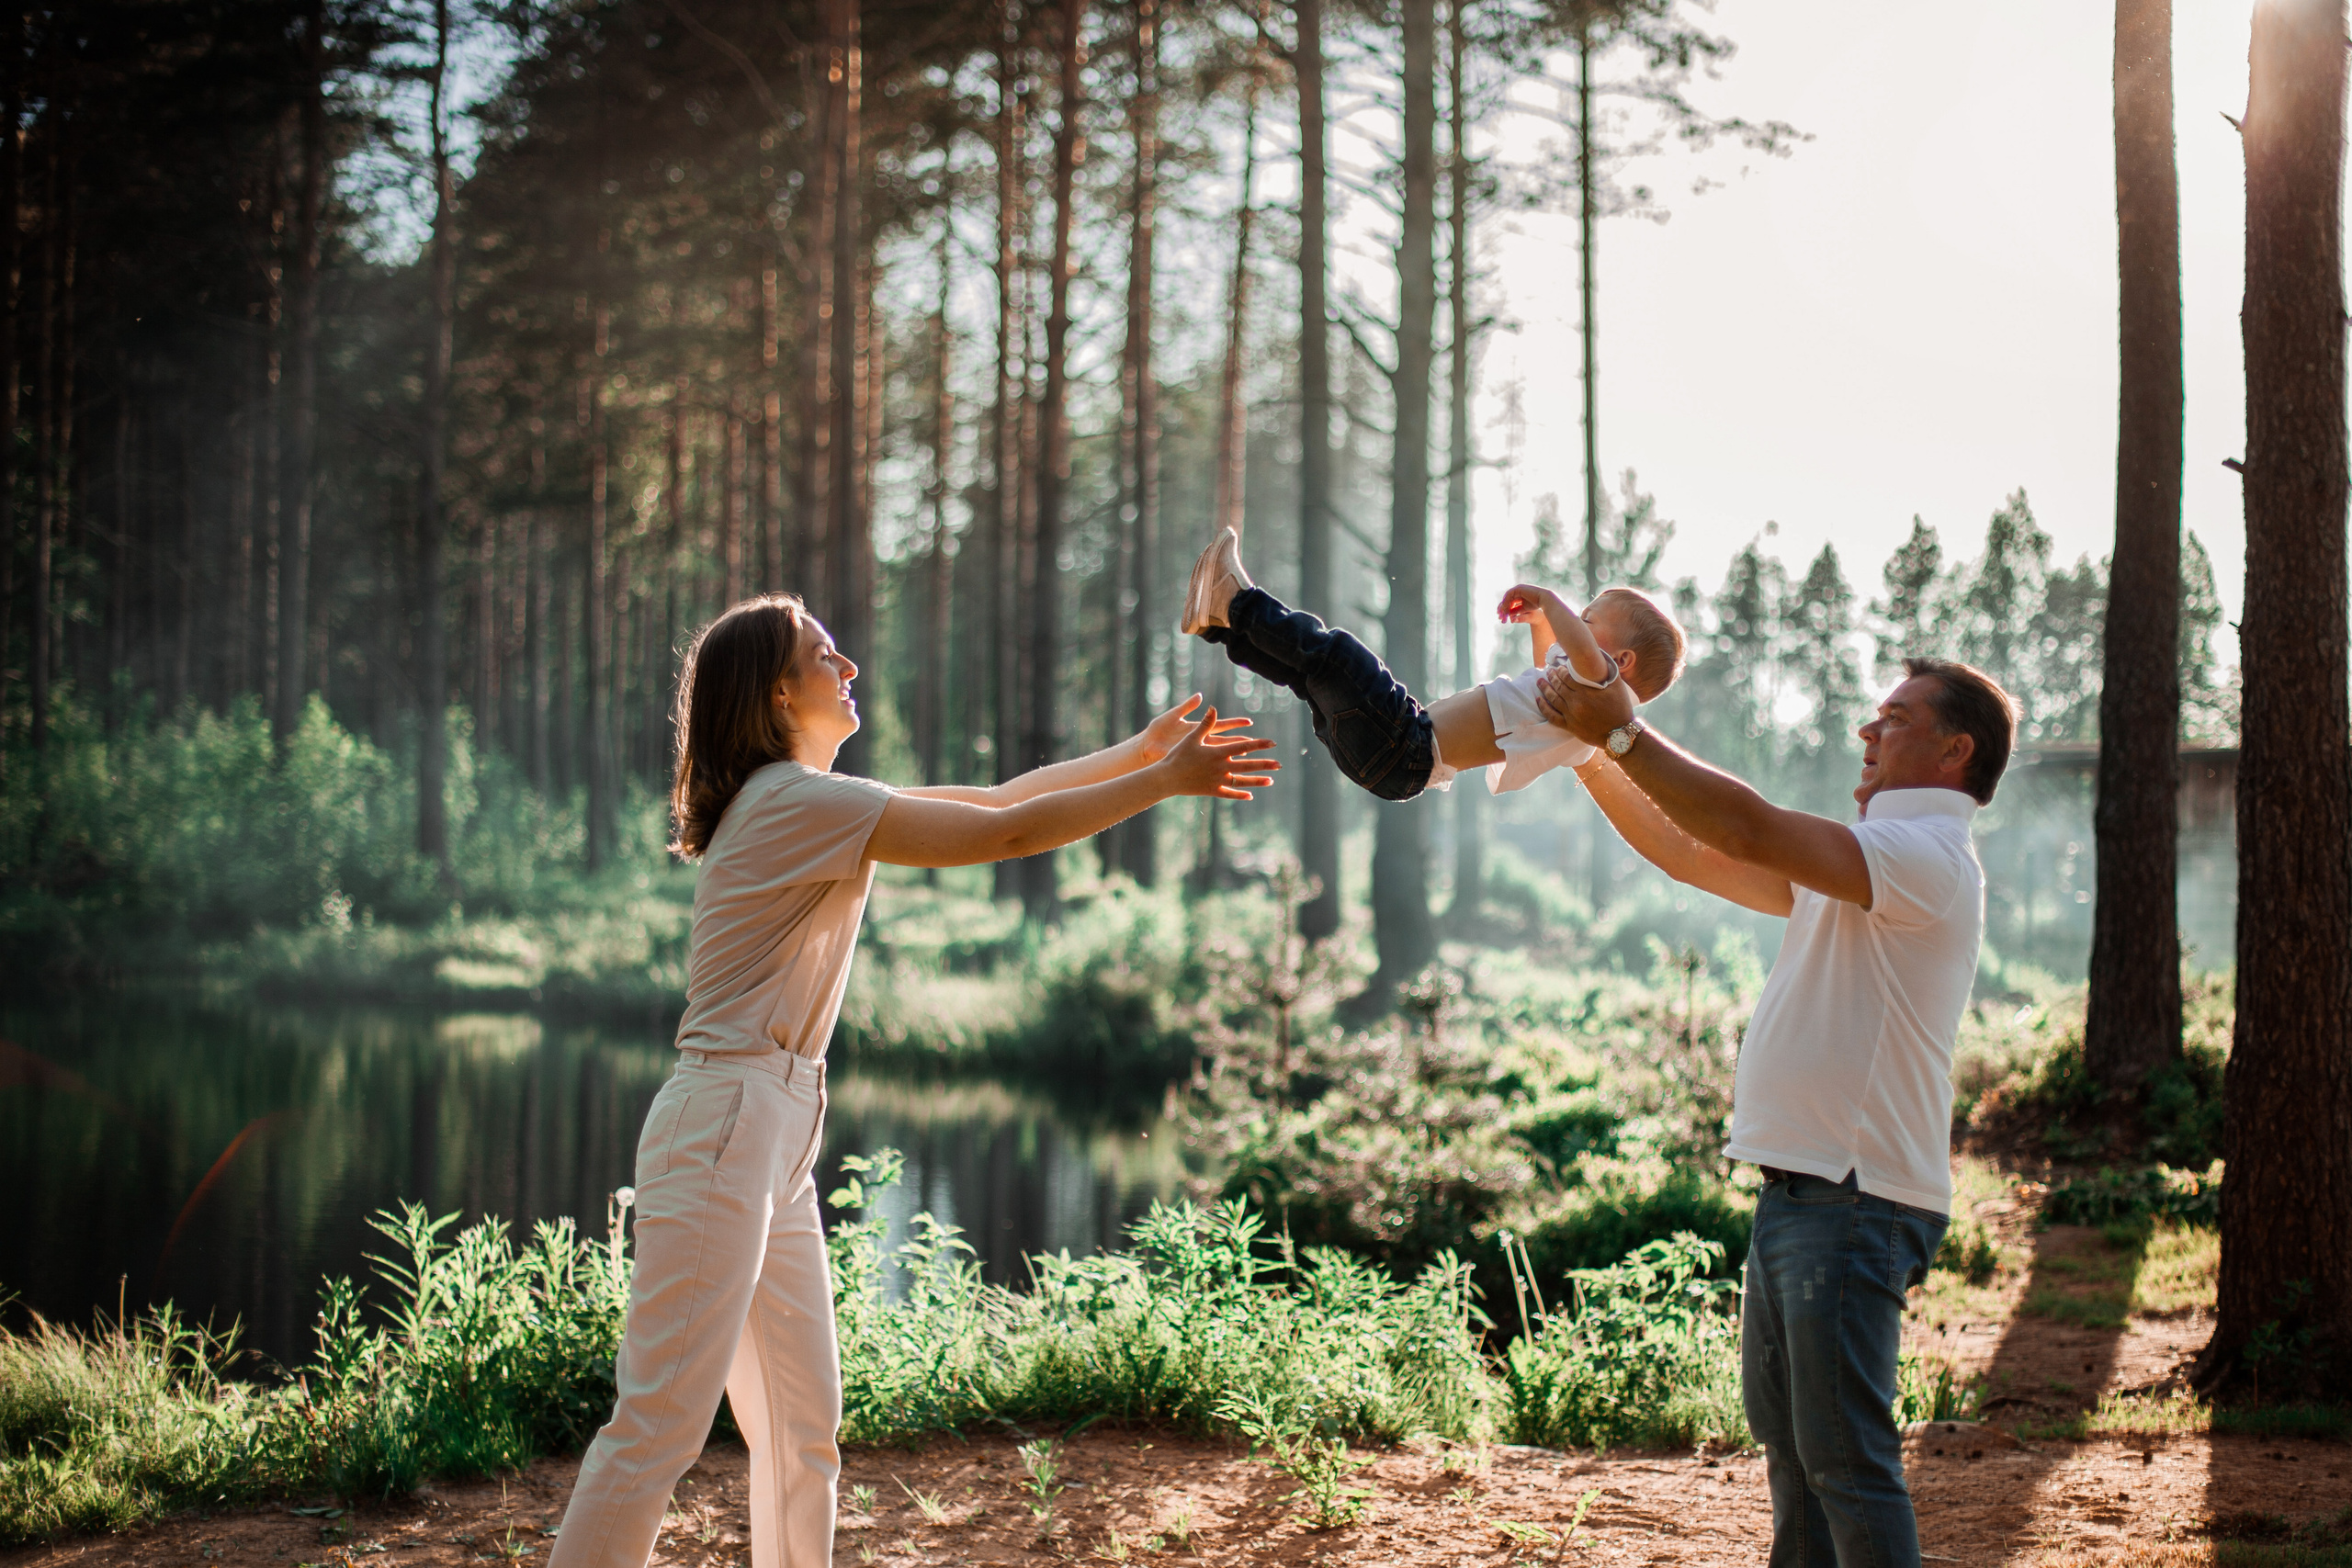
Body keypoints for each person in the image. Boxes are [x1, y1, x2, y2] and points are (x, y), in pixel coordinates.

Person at [546, 593, 1277, 1568]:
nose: (848, 668)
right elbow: (1009, 836)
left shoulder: (808, 801)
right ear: (774, 695)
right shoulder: (788, 803)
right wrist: (1163, 785)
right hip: (725, 1121)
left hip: (771, 1127)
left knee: (803, 1433)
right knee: (657, 1432)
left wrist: (1139, 757)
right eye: (825, 654)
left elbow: (996, 800)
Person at [1539, 653, 2018, 1568]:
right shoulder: (1868, 860)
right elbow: (1691, 849)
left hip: (1853, 1196)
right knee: (1799, 1461)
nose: (1867, 731)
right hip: (1806, 1196)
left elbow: (1746, 827)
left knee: (1843, 1462)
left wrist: (1620, 731)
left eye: (1895, 718)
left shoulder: (1922, 858)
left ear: (1955, 751)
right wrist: (1588, 755)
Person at [1177, 525, 1686, 800]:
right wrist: (1539, 625)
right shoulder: (1575, 703)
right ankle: (1220, 625)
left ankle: (1236, 604)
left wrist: (1550, 601)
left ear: (1622, 660)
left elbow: (1577, 653)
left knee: (1338, 656)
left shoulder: (1609, 698)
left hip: (1406, 745)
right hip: (1394, 760)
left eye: (1590, 620)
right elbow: (1549, 666)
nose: (1577, 623)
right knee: (1308, 672)